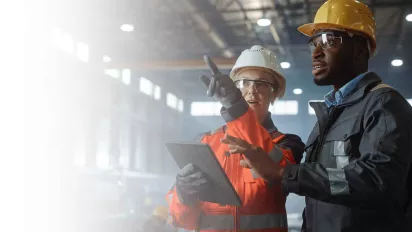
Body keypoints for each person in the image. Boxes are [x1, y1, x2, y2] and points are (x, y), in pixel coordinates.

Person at [221, 1, 412, 232]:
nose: (316, 53)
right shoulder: (331, 114)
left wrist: (284, 173)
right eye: (314, 43)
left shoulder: (383, 104)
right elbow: (321, 198)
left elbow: (377, 181)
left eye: (329, 41)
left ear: (361, 49)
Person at [167, 45, 305, 232]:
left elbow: (276, 174)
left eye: (262, 84)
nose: (251, 90)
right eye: (243, 83)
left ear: (275, 93)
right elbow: (184, 222)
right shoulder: (205, 142)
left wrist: (236, 108)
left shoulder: (288, 144)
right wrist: (183, 196)